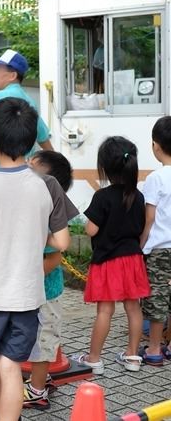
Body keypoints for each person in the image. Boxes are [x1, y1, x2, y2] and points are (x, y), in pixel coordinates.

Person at [0, 97, 77, 421]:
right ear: (31, 142)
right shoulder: (47, 184)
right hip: (28, 296)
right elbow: (62, 241)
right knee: (11, 365)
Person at [72, 137, 151, 373]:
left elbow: (90, 229)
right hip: (132, 260)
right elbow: (140, 229)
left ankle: (94, 359)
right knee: (134, 308)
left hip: (108, 262)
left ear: (105, 167)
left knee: (105, 311)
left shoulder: (103, 196)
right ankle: (133, 356)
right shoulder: (138, 196)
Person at [23, 150, 74, 410]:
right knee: (37, 339)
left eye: (32, 168)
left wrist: (25, 277)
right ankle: (40, 380)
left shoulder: (49, 215)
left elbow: (53, 259)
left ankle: (37, 391)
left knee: (42, 343)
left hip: (45, 292)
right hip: (33, 292)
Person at [0, 49, 53, 181]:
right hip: (24, 171)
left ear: (12, 75)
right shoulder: (29, 102)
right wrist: (55, 160)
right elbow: (42, 136)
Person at [138, 117, 171, 365]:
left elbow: (149, 217)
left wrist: (141, 245)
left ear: (155, 146)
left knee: (157, 298)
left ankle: (153, 350)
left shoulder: (155, 178)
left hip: (159, 250)